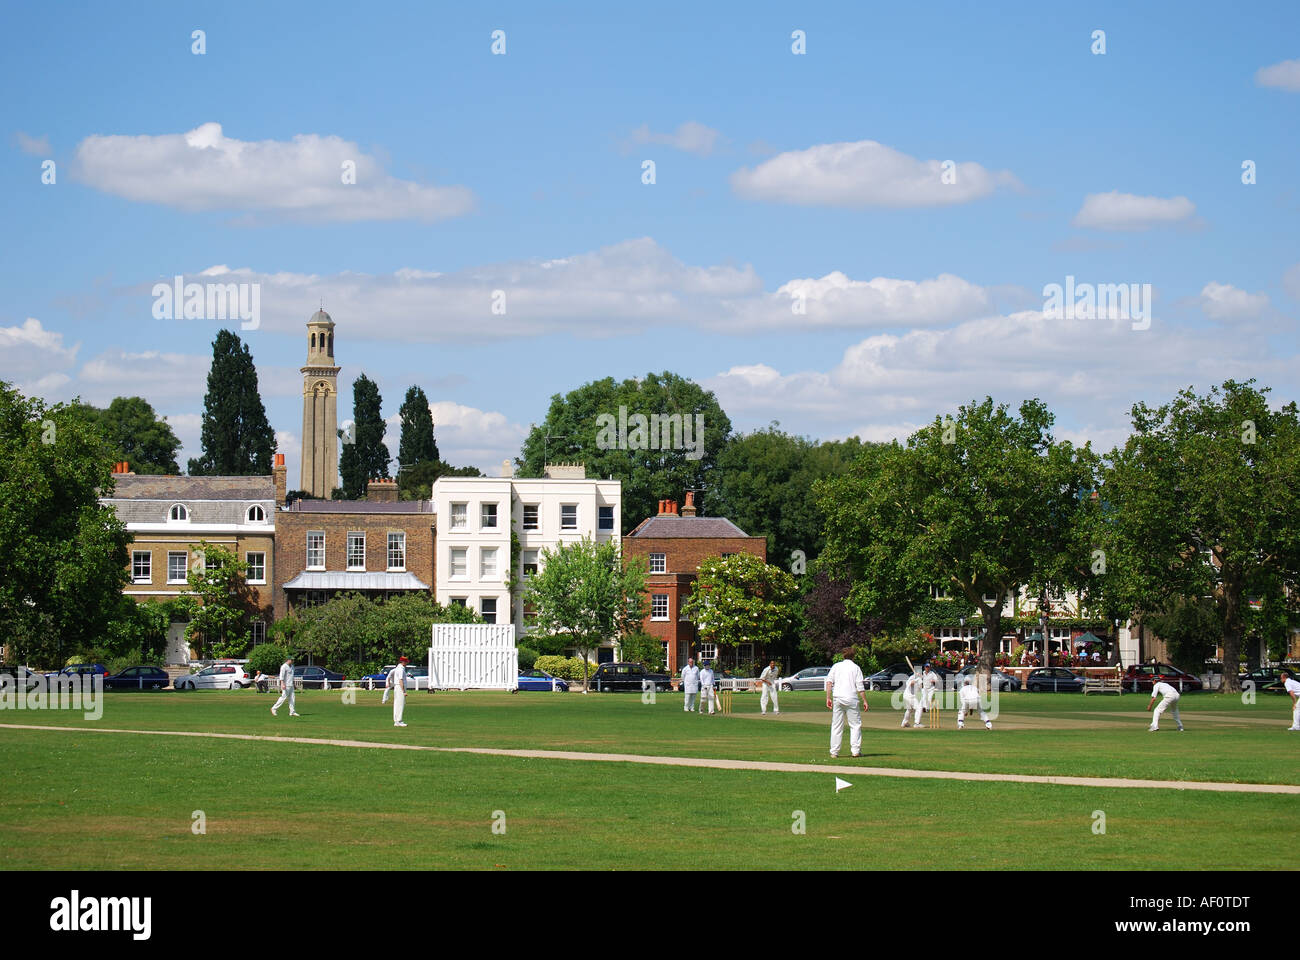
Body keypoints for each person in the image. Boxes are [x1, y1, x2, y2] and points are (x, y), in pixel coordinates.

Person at [825, 657, 868, 758]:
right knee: (855, 725)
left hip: (838, 698)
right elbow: (860, 686)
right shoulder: (856, 668)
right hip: (851, 698)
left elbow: (829, 682)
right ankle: (855, 751)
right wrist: (864, 700)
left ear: (843, 656)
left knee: (836, 726)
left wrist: (828, 698)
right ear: (853, 657)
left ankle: (834, 752)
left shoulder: (836, 666)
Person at [390, 656, 408, 727]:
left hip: (397, 687)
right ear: (403, 662)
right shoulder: (400, 669)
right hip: (400, 687)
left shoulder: (397, 668)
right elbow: (400, 680)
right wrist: (403, 691)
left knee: (397, 704)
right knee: (400, 704)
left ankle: (397, 720)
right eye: (406, 662)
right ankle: (399, 720)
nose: (406, 663)